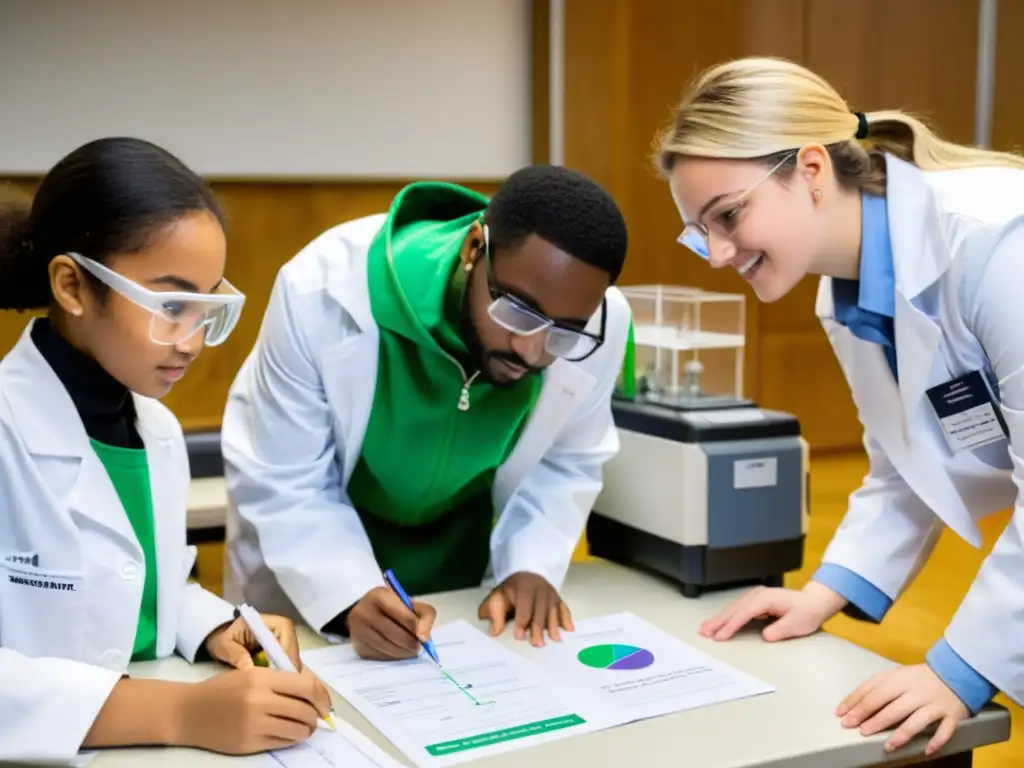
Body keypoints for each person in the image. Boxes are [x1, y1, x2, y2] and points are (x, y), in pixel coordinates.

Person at [654, 55, 1024, 757]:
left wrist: (961, 669)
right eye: (702, 230)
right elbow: (902, 469)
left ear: (812, 169)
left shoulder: (996, 243)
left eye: (729, 215)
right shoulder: (845, 293)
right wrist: (823, 593)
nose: (717, 254)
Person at [0, 137, 331, 763]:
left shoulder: (154, 428)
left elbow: (149, 586)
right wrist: (180, 711)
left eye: (206, 309)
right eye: (171, 305)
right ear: (72, 285)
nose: (192, 342)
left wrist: (214, 625)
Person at [222, 166, 630, 660]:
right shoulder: (323, 291)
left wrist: (530, 565)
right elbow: (286, 478)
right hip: (316, 594)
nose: (531, 348)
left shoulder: (594, 332)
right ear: (473, 248)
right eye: (517, 311)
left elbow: (566, 460)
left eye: (563, 332)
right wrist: (349, 593)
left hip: (463, 606)